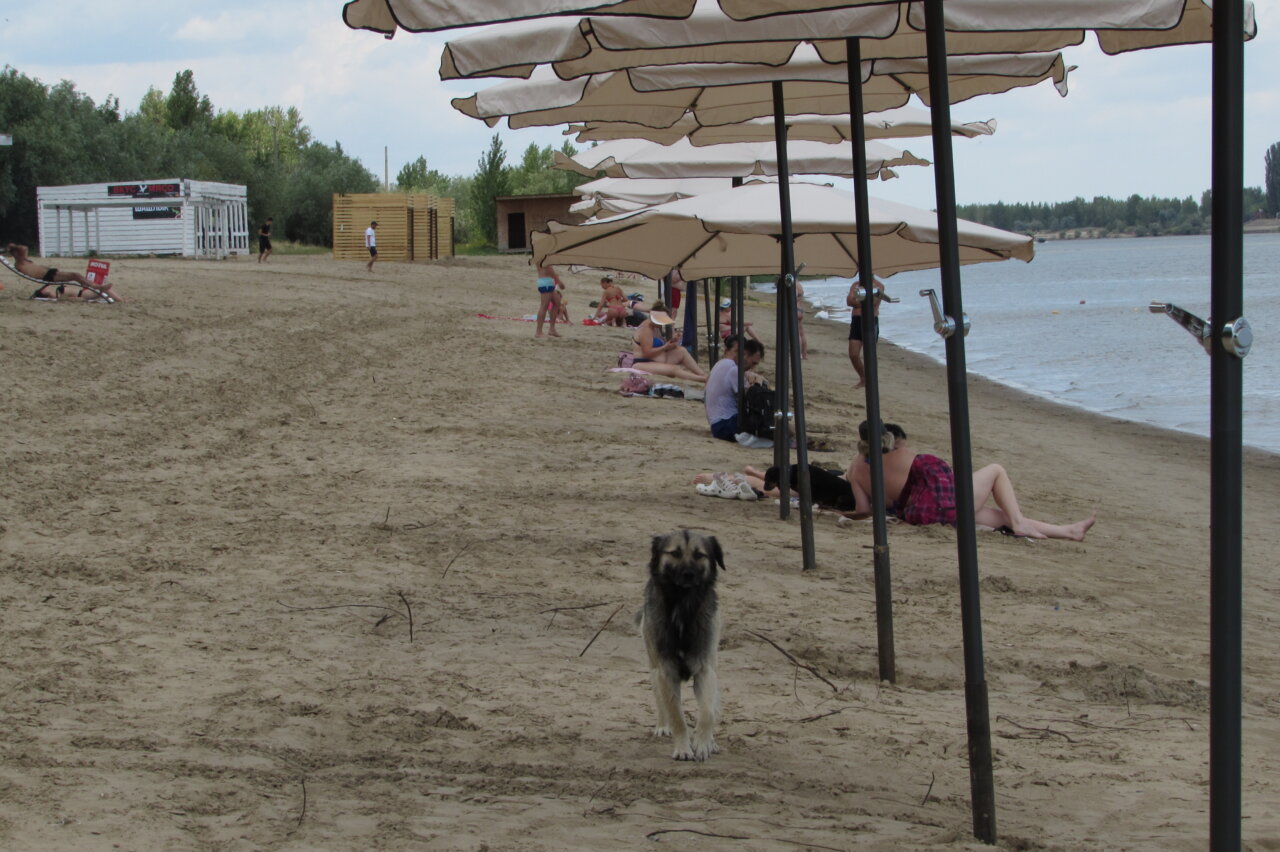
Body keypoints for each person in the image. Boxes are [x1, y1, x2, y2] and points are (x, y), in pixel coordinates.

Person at [846, 420, 1096, 540]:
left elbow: (863, 510)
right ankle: (1020, 524)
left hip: (918, 514)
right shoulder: (901, 453)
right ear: (889, 437)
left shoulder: (856, 469)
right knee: (996, 470)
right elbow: (936, 481)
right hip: (942, 503)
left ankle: (1068, 531)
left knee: (999, 516)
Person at [5, 243, 124, 302]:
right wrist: (13, 247)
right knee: (76, 275)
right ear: (15, 254)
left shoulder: (24, 260)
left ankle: (95, 286)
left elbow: (24, 248)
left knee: (75, 276)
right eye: (17, 252)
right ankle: (96, 286)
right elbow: (24, 248)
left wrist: (13, 247)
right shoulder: (19, 263)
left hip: (50, 273)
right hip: (48, 276)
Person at [704, 335, 767, 444]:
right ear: (745, 355)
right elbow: (749, 399)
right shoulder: (734, 370)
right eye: (753, 363)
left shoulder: (720, 364)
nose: (752, 367)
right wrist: (757, 384)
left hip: (716, 423)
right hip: (725, 424)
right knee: (765, 422)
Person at [630, 301, 707, 384]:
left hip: (656, 360)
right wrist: (665, 347)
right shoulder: (646, 330)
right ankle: (702, 379)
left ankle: (702, 374)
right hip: (643, 363)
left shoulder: (654, 327)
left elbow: (659, 345)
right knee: (674, 369)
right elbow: (647, 353)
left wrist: (671, 342)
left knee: (681, 351)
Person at [847, 275, 887, 388]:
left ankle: (871, 380)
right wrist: (862, 301)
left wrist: (857, 300)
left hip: (870, 320)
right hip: (856, 320)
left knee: (869, 354)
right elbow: (849, 301)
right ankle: (864, 377)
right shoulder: (855, 285)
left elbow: (872, 302)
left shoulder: (878, 286)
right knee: (853, 354)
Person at [534, 263, 565, 338]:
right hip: (545, 282)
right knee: (544, 306)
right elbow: (549, 270)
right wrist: (559, 281)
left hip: (548, 282)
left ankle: (552, 329)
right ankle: (538, 331)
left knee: (557, 302)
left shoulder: (543, 255)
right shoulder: (541, 255)